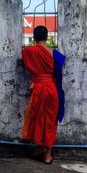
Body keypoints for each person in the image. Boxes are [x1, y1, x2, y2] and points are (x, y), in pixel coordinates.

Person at [21, 25, 66, 164]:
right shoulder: (55, 54)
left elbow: (25, 62)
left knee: (38, 119)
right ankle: (47, 155)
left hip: (38, 89)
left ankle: (39, 146)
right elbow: (60, 71)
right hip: (51, 89)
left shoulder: (27, 51)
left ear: (34, 37)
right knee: (50, 122)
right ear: (47, 37)